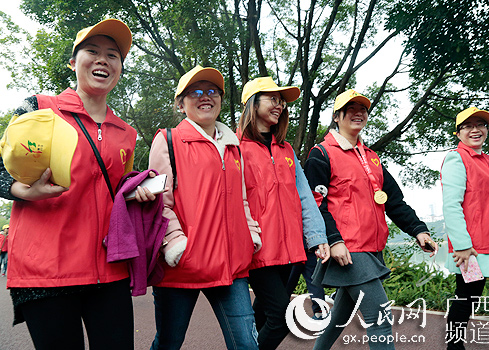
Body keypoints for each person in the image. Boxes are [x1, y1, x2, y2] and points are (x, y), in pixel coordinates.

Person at [0, 19, 153, 350]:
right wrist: (25, 190)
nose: (102, 60)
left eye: (112, 55)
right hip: (46, 271)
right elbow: (2, 167)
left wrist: (136, 192)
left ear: (120, 69)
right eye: (92, 51)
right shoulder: (38, 109)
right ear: (73, 61)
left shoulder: (126, 132)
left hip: (108, 270)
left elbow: (118, 190)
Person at [305, 89, 438, 350]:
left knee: (338, 319)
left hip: (371, 248)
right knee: (380, 319)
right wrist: (333, 240)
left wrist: (418, 230)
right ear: (337, 116)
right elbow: (315, 205)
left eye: (363, 109)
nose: (358, 113)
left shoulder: (372, 158)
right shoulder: (321, 154)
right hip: (349, 249)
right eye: (351, 108)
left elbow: (393, 201)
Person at [148, 65, 262, 350]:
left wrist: (250, 233)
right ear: (180, 103)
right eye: (195, 92)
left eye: (212, 90)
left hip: (231, 266)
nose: (205, 96)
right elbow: (160, 202)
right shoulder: (168, 140)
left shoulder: (233, 147)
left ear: (221, 99)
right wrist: (176, 243)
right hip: (182, 266)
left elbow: (242, 199)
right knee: (168, 343)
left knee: (247, 345)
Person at [238, 76, 330, 349]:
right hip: (257, 249)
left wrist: (317, 237)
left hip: (288, 249)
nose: (279, 106)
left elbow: (304, 197)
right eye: (273, 99)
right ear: (253, 105)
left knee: (262, 315)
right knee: (281, 317)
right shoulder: (236, 149)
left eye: (281, 101)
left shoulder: (286, 149)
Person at [441, 107, 489, 350]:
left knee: (467, 297)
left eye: (480, 124)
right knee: (467, 298)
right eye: (468, 126)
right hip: (474, 249)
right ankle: (454, 347)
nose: (475, 129)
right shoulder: (457, 158)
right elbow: (451, 204)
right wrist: (463, 246)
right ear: (459, 133)